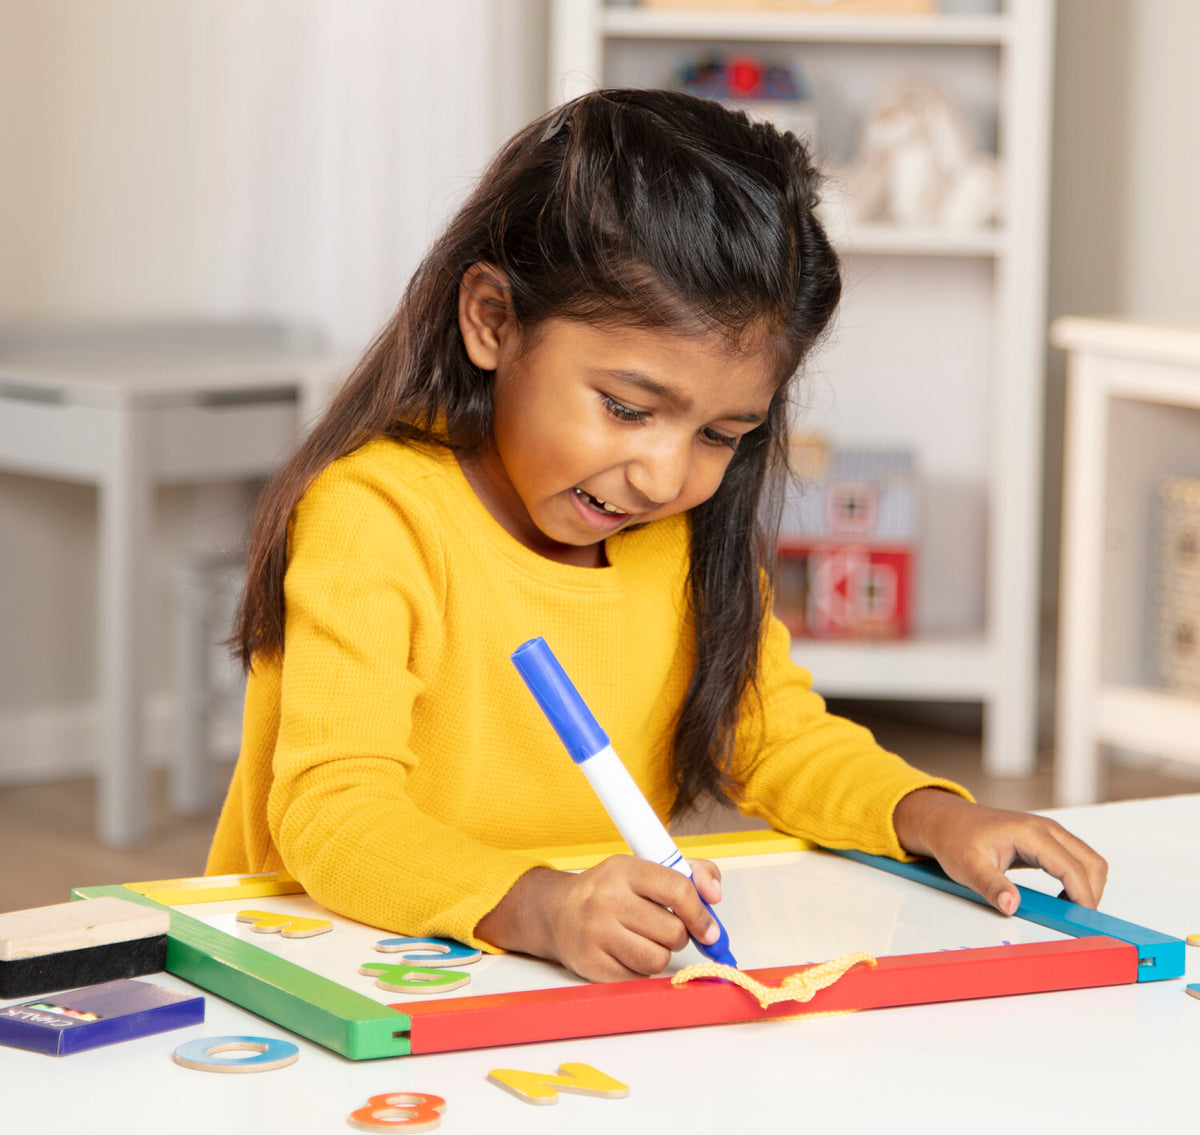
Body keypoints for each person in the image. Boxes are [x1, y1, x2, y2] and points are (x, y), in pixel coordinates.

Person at [206, 88, 1106, 983]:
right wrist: (541, 904)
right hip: (324, 969)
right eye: (628, 408)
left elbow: (775, 736)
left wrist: (936, 817)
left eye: (721, 434)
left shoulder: (673, 532)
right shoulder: (377, 514)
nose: (666, 476)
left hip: (544, 980)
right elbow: (333, 813)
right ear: (491, 318)